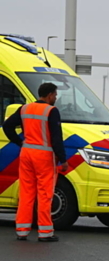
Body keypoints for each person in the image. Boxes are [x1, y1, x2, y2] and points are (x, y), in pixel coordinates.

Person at [2, 82, 68, 242]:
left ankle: (22, 231)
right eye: (55, 95)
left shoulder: (24, 109)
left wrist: (19, 142)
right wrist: (63, 159)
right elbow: (56, 138)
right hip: (44, 156)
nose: (56, 98)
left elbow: (7, 126)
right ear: (50, 95)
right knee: (45, 194)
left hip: (26, 154)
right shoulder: (51, 111)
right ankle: (45, 232)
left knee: (26, 192)